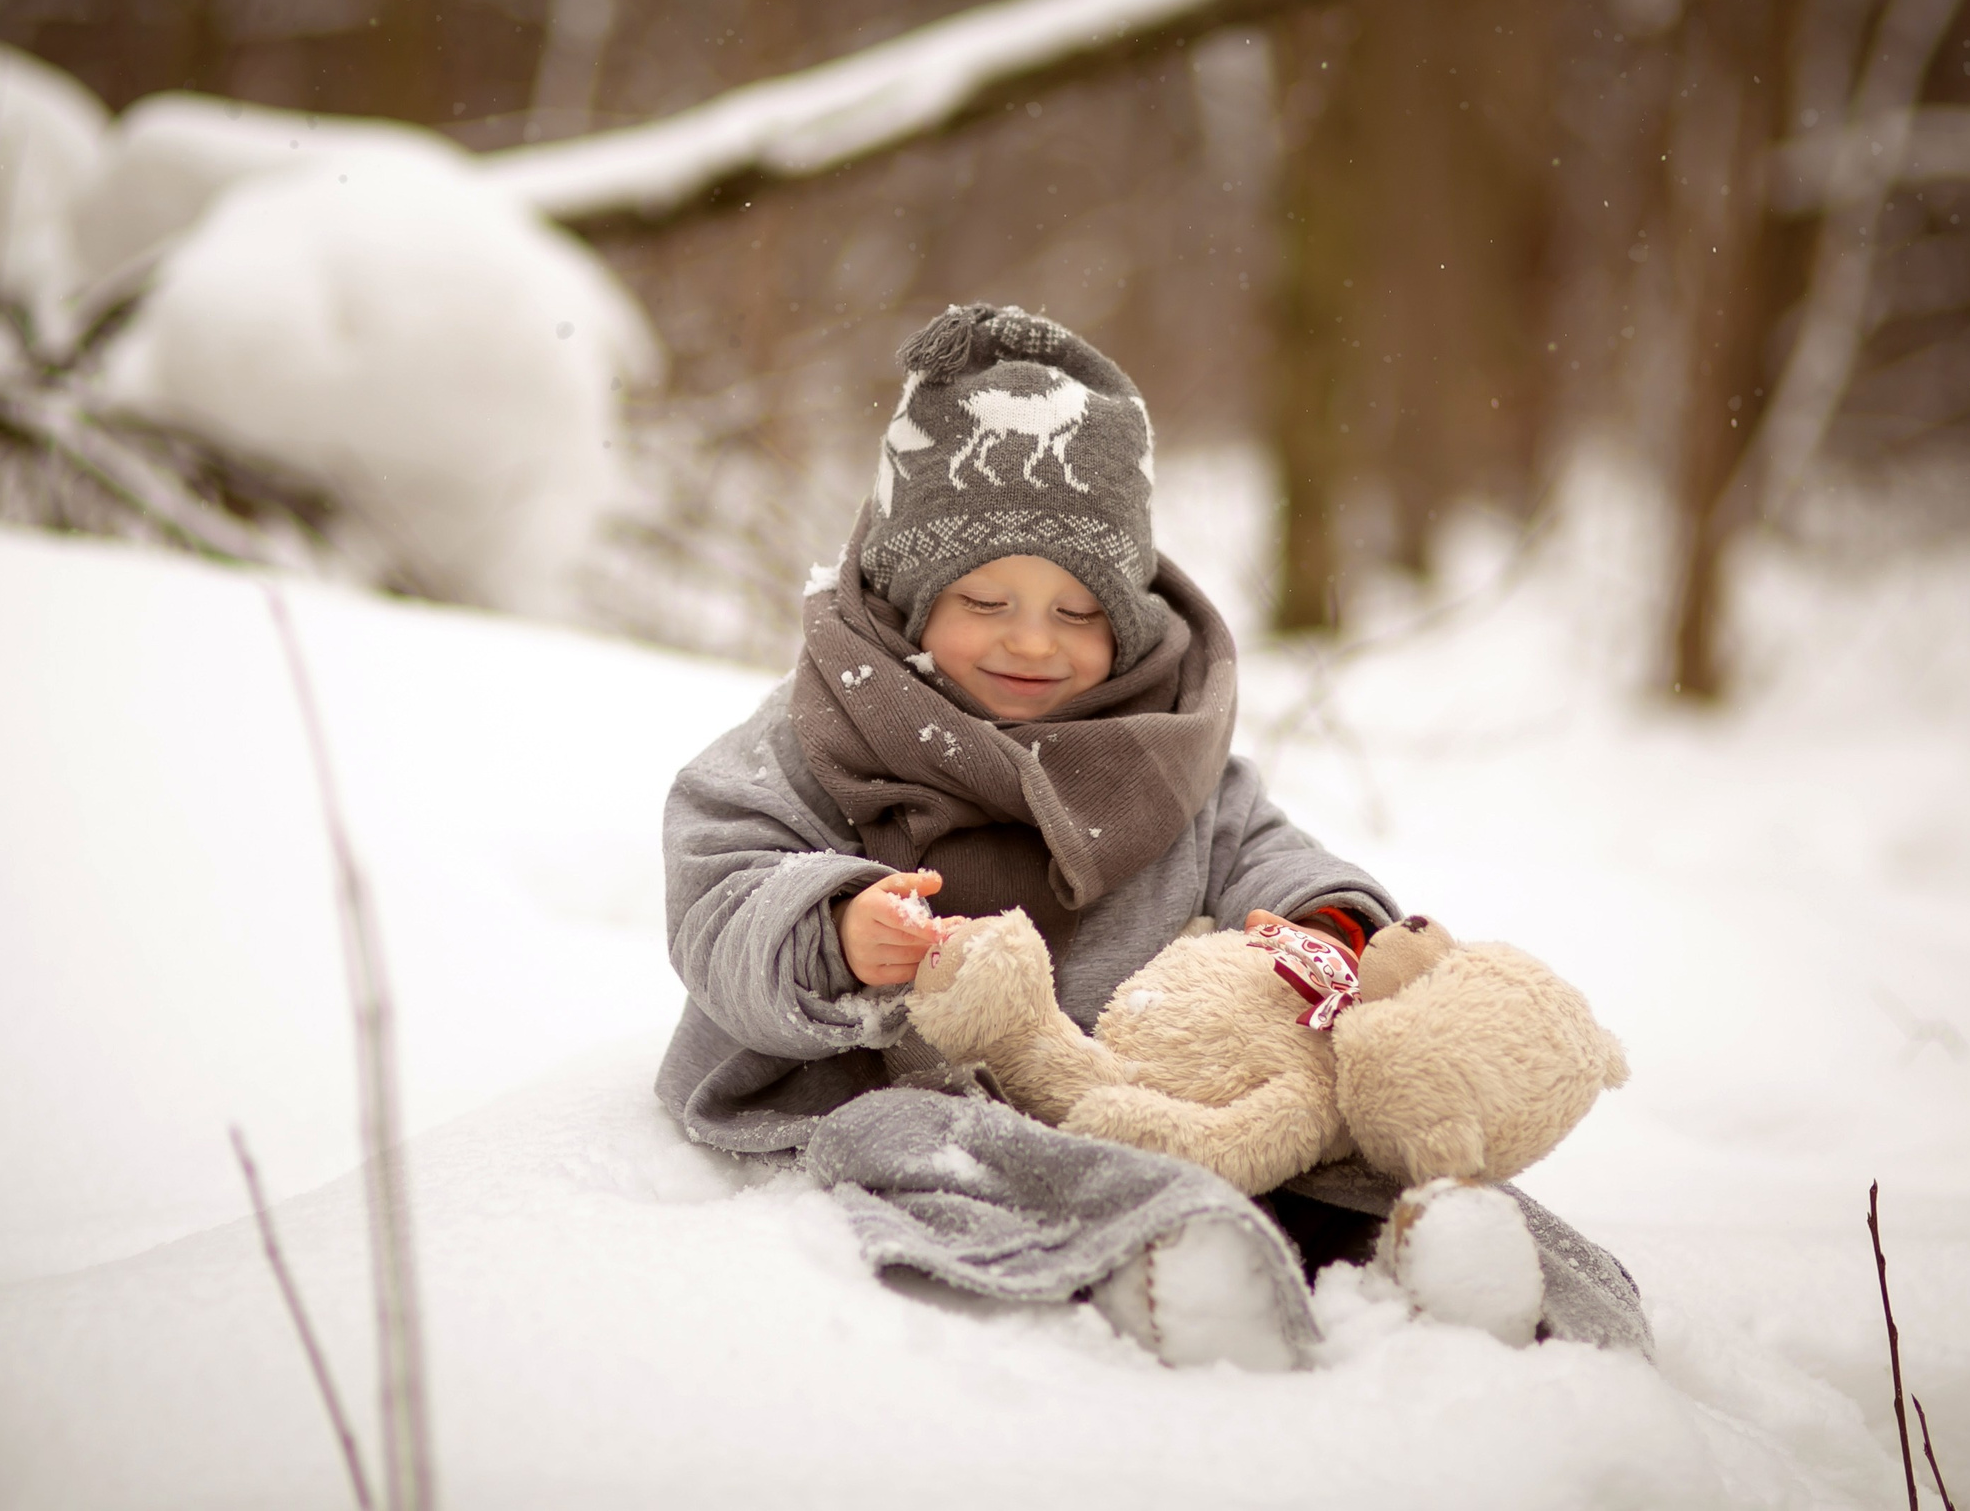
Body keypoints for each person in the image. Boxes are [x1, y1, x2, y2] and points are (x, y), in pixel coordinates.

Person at [655, 302, 1647, 1368]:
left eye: (1078, 612)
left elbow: (1257, 844)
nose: (1032, 642)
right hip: (900, 1077)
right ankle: (1169, 1253)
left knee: (1321, 1136)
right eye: (984, 599)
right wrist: (834, 928)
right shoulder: (819, 736)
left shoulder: (1154, 747)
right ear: (905, 597)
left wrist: (1326, 924)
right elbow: (720, 882)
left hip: (1151, 1078)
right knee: (921, 1143)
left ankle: (1446, 1251)